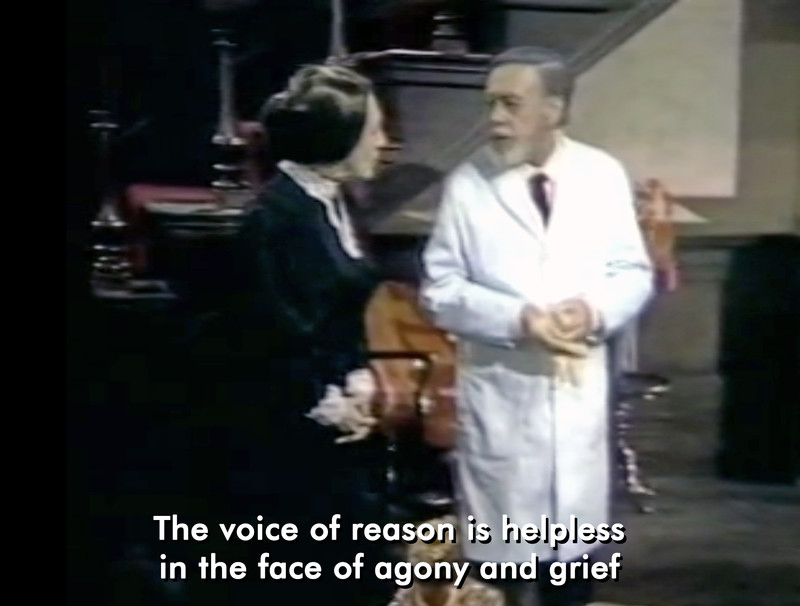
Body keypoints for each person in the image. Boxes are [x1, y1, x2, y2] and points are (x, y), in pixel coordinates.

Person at [419, 46, 654, 606]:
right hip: (503, 396)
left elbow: (633, 272)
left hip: (575, 397)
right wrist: (519, 319)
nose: (495, 119)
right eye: (490, 104)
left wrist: (592, 311)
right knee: (497, 577)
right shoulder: (468, 184)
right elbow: (440, 290)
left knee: (573, 571)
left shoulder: (601, 175)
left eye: (511, 104)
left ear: (554, 109)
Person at [216, 63, 393, 605]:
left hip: (340, 415)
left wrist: (360, 381)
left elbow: (342, 312)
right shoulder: (273, 219)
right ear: (337, 138)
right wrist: (328, 401)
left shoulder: (335, 201)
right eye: (374, 130)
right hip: (289, 427)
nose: (384, 142)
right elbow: (267, 336)